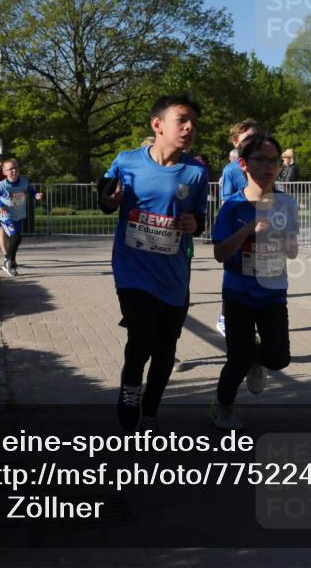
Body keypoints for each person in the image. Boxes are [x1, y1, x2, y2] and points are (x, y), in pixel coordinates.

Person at [98, 94, 209, 433]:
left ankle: (151, 408)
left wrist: (195, 225)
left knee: (165, 347)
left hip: (173, 273)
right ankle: (130, 388)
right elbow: (104, 196)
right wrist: (109, 198)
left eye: (193, 122)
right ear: (158, 125)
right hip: (132, 268)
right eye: (182, 120)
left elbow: (200, 219)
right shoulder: (127, 161)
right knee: (142, 333)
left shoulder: (196, 172)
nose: (189, 127)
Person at [210, 134, 298, 430]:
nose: (269, 166)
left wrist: (285, 239)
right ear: (244, 165)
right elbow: (220, 254)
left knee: (279, 359)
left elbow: (293, 251)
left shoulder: (286, 202)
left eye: (274, 160)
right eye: (260, 160)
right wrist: (250, 228)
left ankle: (256, 360)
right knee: (237, 357)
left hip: (273, 295)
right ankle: (222, 407)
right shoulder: (233, 207)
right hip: (239, 295)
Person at [215, 119, 261, 336]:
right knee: (235, 277)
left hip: (261, 232)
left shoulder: (263, 163)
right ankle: (225, 315)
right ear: (236, 142)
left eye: (257, 137)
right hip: (238, 231)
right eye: (248, 138)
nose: (254, 142)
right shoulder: (232, 170)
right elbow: (226, 201)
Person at [0, 159, 42, 277]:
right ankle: (8, 262)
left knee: (15, 240)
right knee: (16, 238)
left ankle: (11, 261)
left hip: (18, 215)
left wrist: (36, 195)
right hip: (6, 216)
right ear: (4, 172)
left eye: (16, 168)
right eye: (10, 169)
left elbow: (31, 190)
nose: (14, 171)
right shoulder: (2, 185)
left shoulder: (23, 181)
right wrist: (0, 204)